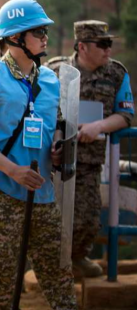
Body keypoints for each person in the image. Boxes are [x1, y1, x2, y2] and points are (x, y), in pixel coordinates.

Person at [0, 0, 77, 310]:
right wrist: (12, 170)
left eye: (44, 31)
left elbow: (56, 122)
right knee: (1, 284)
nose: (45, 37)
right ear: (15, 37)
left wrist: (58, 147)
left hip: (45, 196)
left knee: (59, 279)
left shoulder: (49, 79)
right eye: (38, 31)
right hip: (5, 196)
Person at [47, 20, 134, 277]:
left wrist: (98, 127)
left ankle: (76, 258)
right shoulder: (54, 71)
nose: (109, 50)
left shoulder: (117, 74)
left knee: (87, 219)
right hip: (53, 162)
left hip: (90, 162)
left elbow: (126, 116)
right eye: (103, 44)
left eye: (110, 44)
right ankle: (52, 267)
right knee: (49, 219)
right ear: (82, 46)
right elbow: (40, 111)